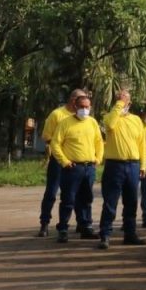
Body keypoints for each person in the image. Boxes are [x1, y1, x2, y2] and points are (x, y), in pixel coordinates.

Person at [97, 90, 146, 250]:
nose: (122, 102)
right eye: (119, 99)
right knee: (110, 201)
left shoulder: (136, 120)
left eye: (125, 100)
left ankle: (130, 234)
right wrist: (119, 105)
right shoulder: (110, 117)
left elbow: (142, 144)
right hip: (115, 165)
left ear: (130, 103)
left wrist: (143, 165)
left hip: (133, 165)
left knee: (131, 201)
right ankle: (105, 235)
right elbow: (110, 125)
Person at [50, 92, 103, 243]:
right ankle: (63, 229)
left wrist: (98, 158)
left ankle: (86, 226)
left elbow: (99, 142)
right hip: (72, 167)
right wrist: (64, 161)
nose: (84, 110)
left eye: (87, 107)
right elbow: (55, 144)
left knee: (86, 199)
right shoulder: (65, 123)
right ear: (75, 106)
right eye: (81, 107)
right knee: (68, 199)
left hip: (89, 167)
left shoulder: (92, 122)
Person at [37, 90, 80, 237]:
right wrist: (61, 151)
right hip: (58, 160)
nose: (81, 106)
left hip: (76, 162)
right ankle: (44, 224)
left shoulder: (83, 117)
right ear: (72, 100)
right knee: (51, 192)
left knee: (76, 194)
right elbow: (47, 136)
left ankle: (80, 224)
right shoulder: (57, 114)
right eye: (79, 102)